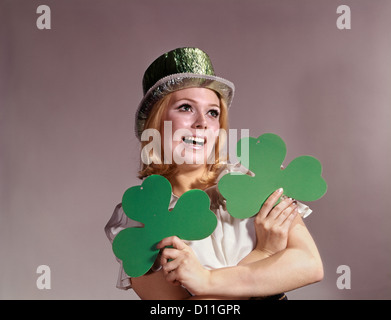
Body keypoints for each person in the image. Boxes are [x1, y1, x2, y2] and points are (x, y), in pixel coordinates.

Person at [105, 47, 323, 300]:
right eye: (186, 108)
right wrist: (264, 255)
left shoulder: (252, 181)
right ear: (156, 122)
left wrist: (206, 282)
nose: (202, 122)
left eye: (213, 112)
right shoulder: (141, 217)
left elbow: (309, 265)